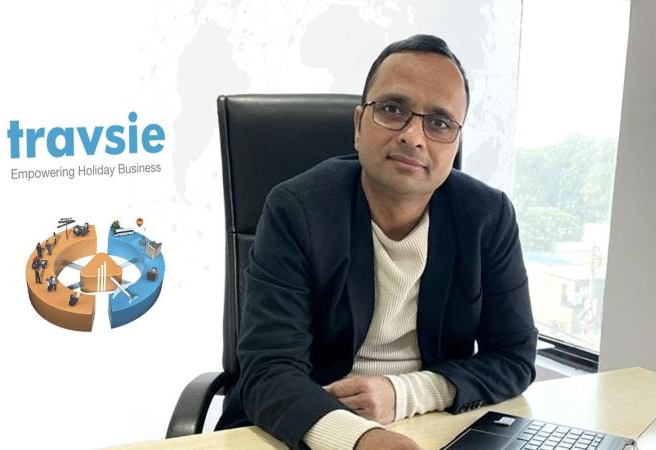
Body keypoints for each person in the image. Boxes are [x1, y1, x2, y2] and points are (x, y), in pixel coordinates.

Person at [216, 34, 537, 450]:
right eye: (392, 109)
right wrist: (361, 439)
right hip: (303, 428)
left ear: (456, 142)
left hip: (433, 426)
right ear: (358, 125)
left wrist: (404, 394)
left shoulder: (487, 217)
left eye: (439, 122)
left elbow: (513, 355)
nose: (413, 136)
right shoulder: (297, 209)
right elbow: (269, 369)